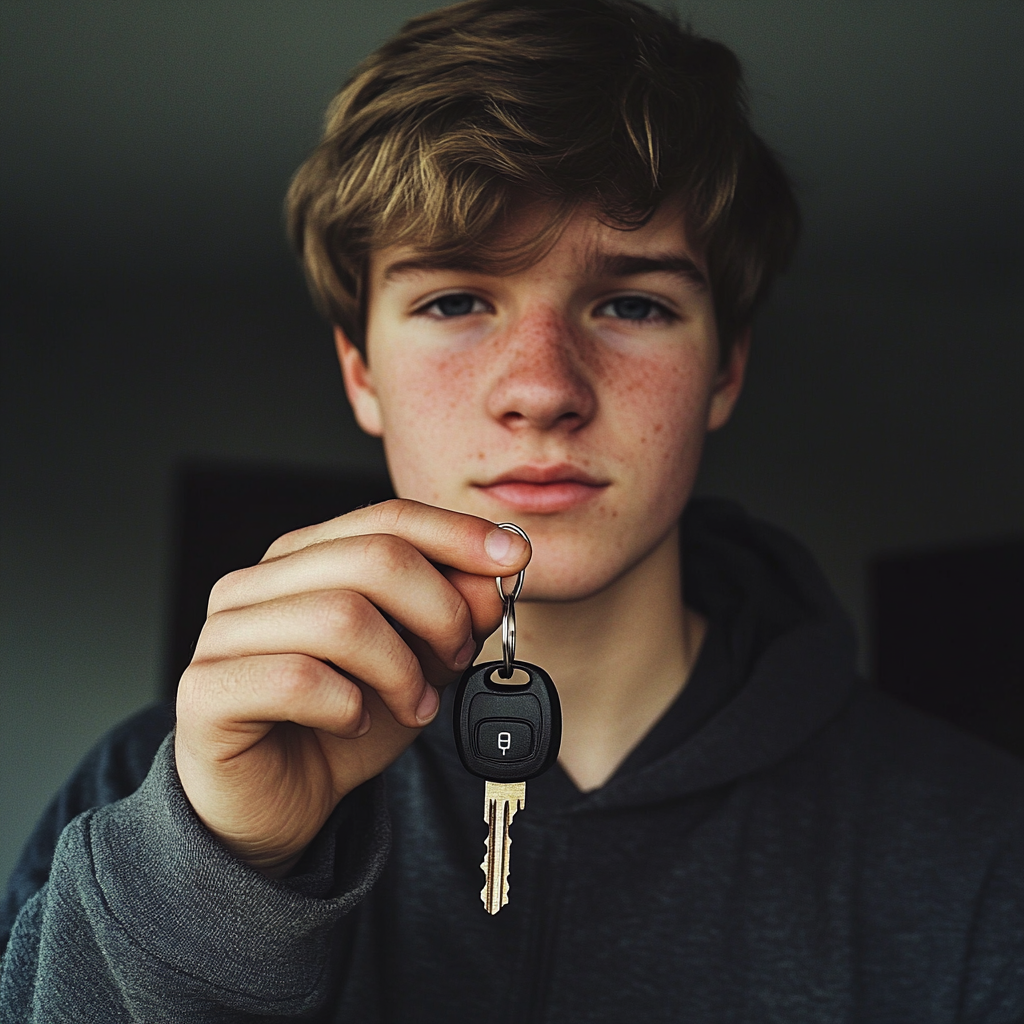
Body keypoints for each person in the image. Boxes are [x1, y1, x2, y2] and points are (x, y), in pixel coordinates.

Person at [2, 0, 1022, 1019]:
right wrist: (208, 886)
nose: (540, 388)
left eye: (632, 304)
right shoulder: (150, 793)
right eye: (454, 301)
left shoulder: (980, 849)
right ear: (360, 371)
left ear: (725, 367)